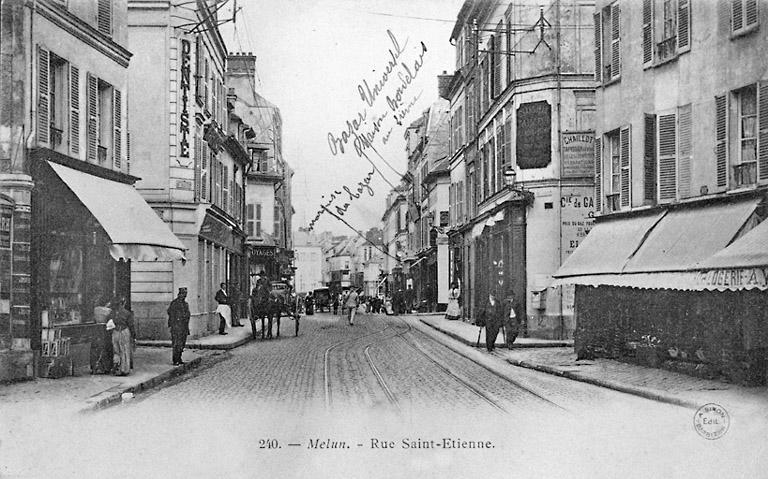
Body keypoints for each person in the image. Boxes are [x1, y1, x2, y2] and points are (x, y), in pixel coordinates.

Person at [109, 296, 135, 376]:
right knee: (125, 350)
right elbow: (131, 325)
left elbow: (109, 322)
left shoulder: (112, 313)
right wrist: (134, 336)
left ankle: (117, 369)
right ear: (122, 303)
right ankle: (124, 369)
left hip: (115, 331)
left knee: (116, 351)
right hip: (124, 331)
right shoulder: (127, 313)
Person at [167, 287, 191, 365]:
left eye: (185, 294)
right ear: (179, 294)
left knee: (182, 343)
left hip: (184, 327)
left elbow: (188, 314)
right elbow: (170, 312)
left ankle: (179, 358)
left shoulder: (185, 304)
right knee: (176, 343)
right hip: (176, 327)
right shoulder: (174, 303)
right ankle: (175, 359)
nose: (184, 296)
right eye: (183, 294)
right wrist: (175, 321)